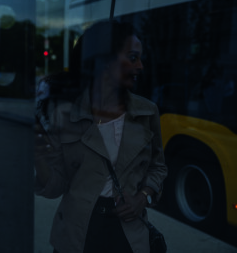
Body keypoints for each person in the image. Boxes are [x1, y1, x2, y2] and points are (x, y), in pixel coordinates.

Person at [34, 20, 168, 253]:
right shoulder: (65, 114)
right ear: (105, 62)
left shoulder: (147, 112)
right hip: (76, 235)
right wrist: (38, 157)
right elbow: (56, 186)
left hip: (129, 233)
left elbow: (158, 168)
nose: (141, 67)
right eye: (133, 58)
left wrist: (143, 198)